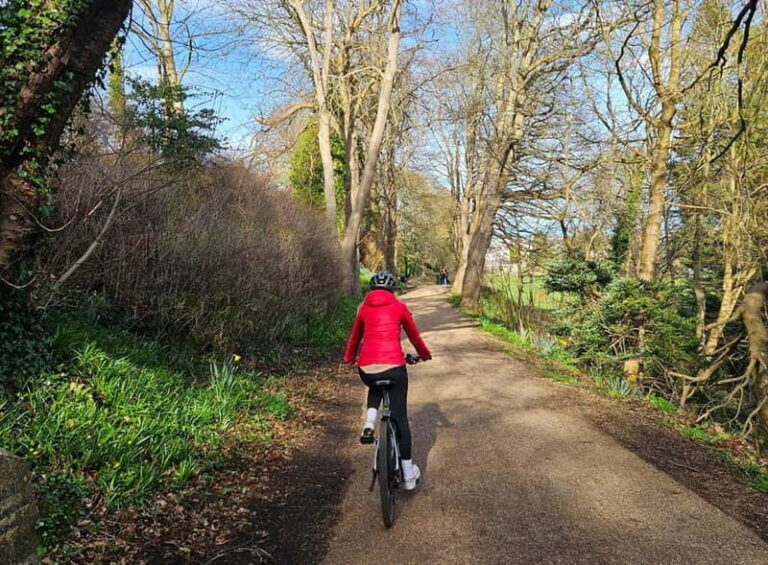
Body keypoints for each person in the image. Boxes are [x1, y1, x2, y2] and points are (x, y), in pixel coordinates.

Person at [343, 271, 432, 490]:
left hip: (367, 368)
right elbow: (414, 336)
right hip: (394, 367)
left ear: (371, 290)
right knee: (400, 419)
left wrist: (349, 358)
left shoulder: (363, 308)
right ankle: (408, 475)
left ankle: (369, 422)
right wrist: (424, 355)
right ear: (392, 290)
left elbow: (355, 337)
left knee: (375, 384)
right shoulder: (399, 307)